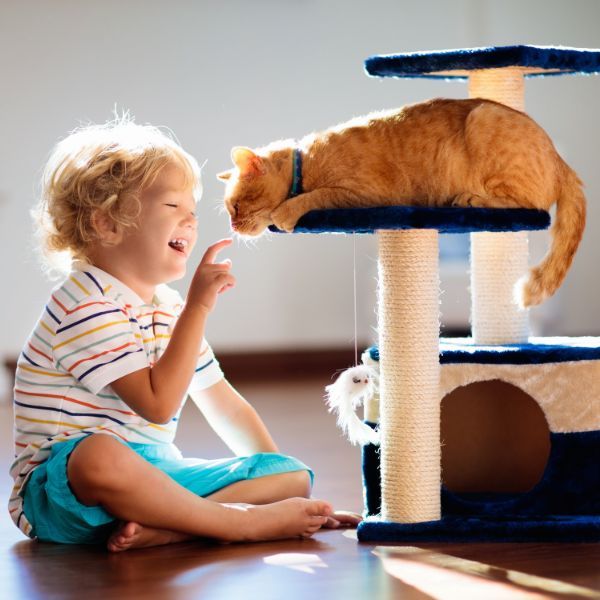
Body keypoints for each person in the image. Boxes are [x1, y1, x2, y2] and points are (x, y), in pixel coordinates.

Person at [9, 117, 360, 552]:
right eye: (173, 207)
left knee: (290, 474)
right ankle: (234, 524)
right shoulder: (84, 304)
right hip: (61, 494)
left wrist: (285, 490)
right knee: (98, 454)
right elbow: (157, 406)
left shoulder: (167, 306)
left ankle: (171, 528)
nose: (192, 221)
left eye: (193, 210)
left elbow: (225, 405)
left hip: (154, 478)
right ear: (106, 224)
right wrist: (198, 308)